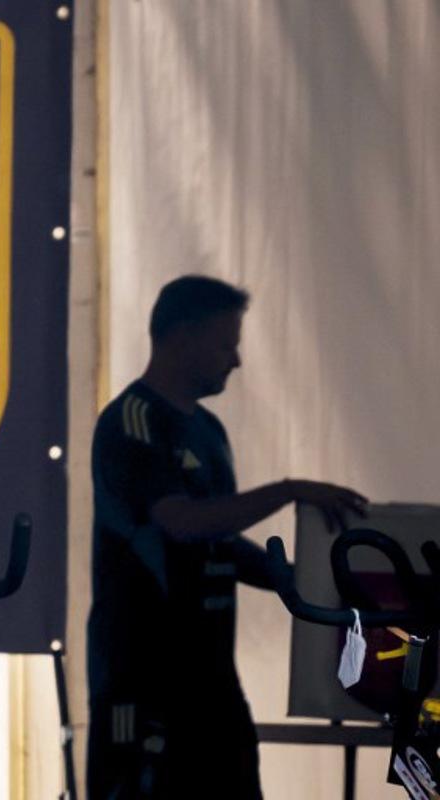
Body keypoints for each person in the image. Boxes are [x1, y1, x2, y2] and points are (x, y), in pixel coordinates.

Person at [86, 275, 368, 799]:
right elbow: (181, 522)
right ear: (182, 336)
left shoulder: (209, 431)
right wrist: (289, 490)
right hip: (144, 675)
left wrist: (301, 582)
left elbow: (215, 541)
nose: (236, 361)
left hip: (211, 676)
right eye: (226, 345)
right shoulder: (133, 421)